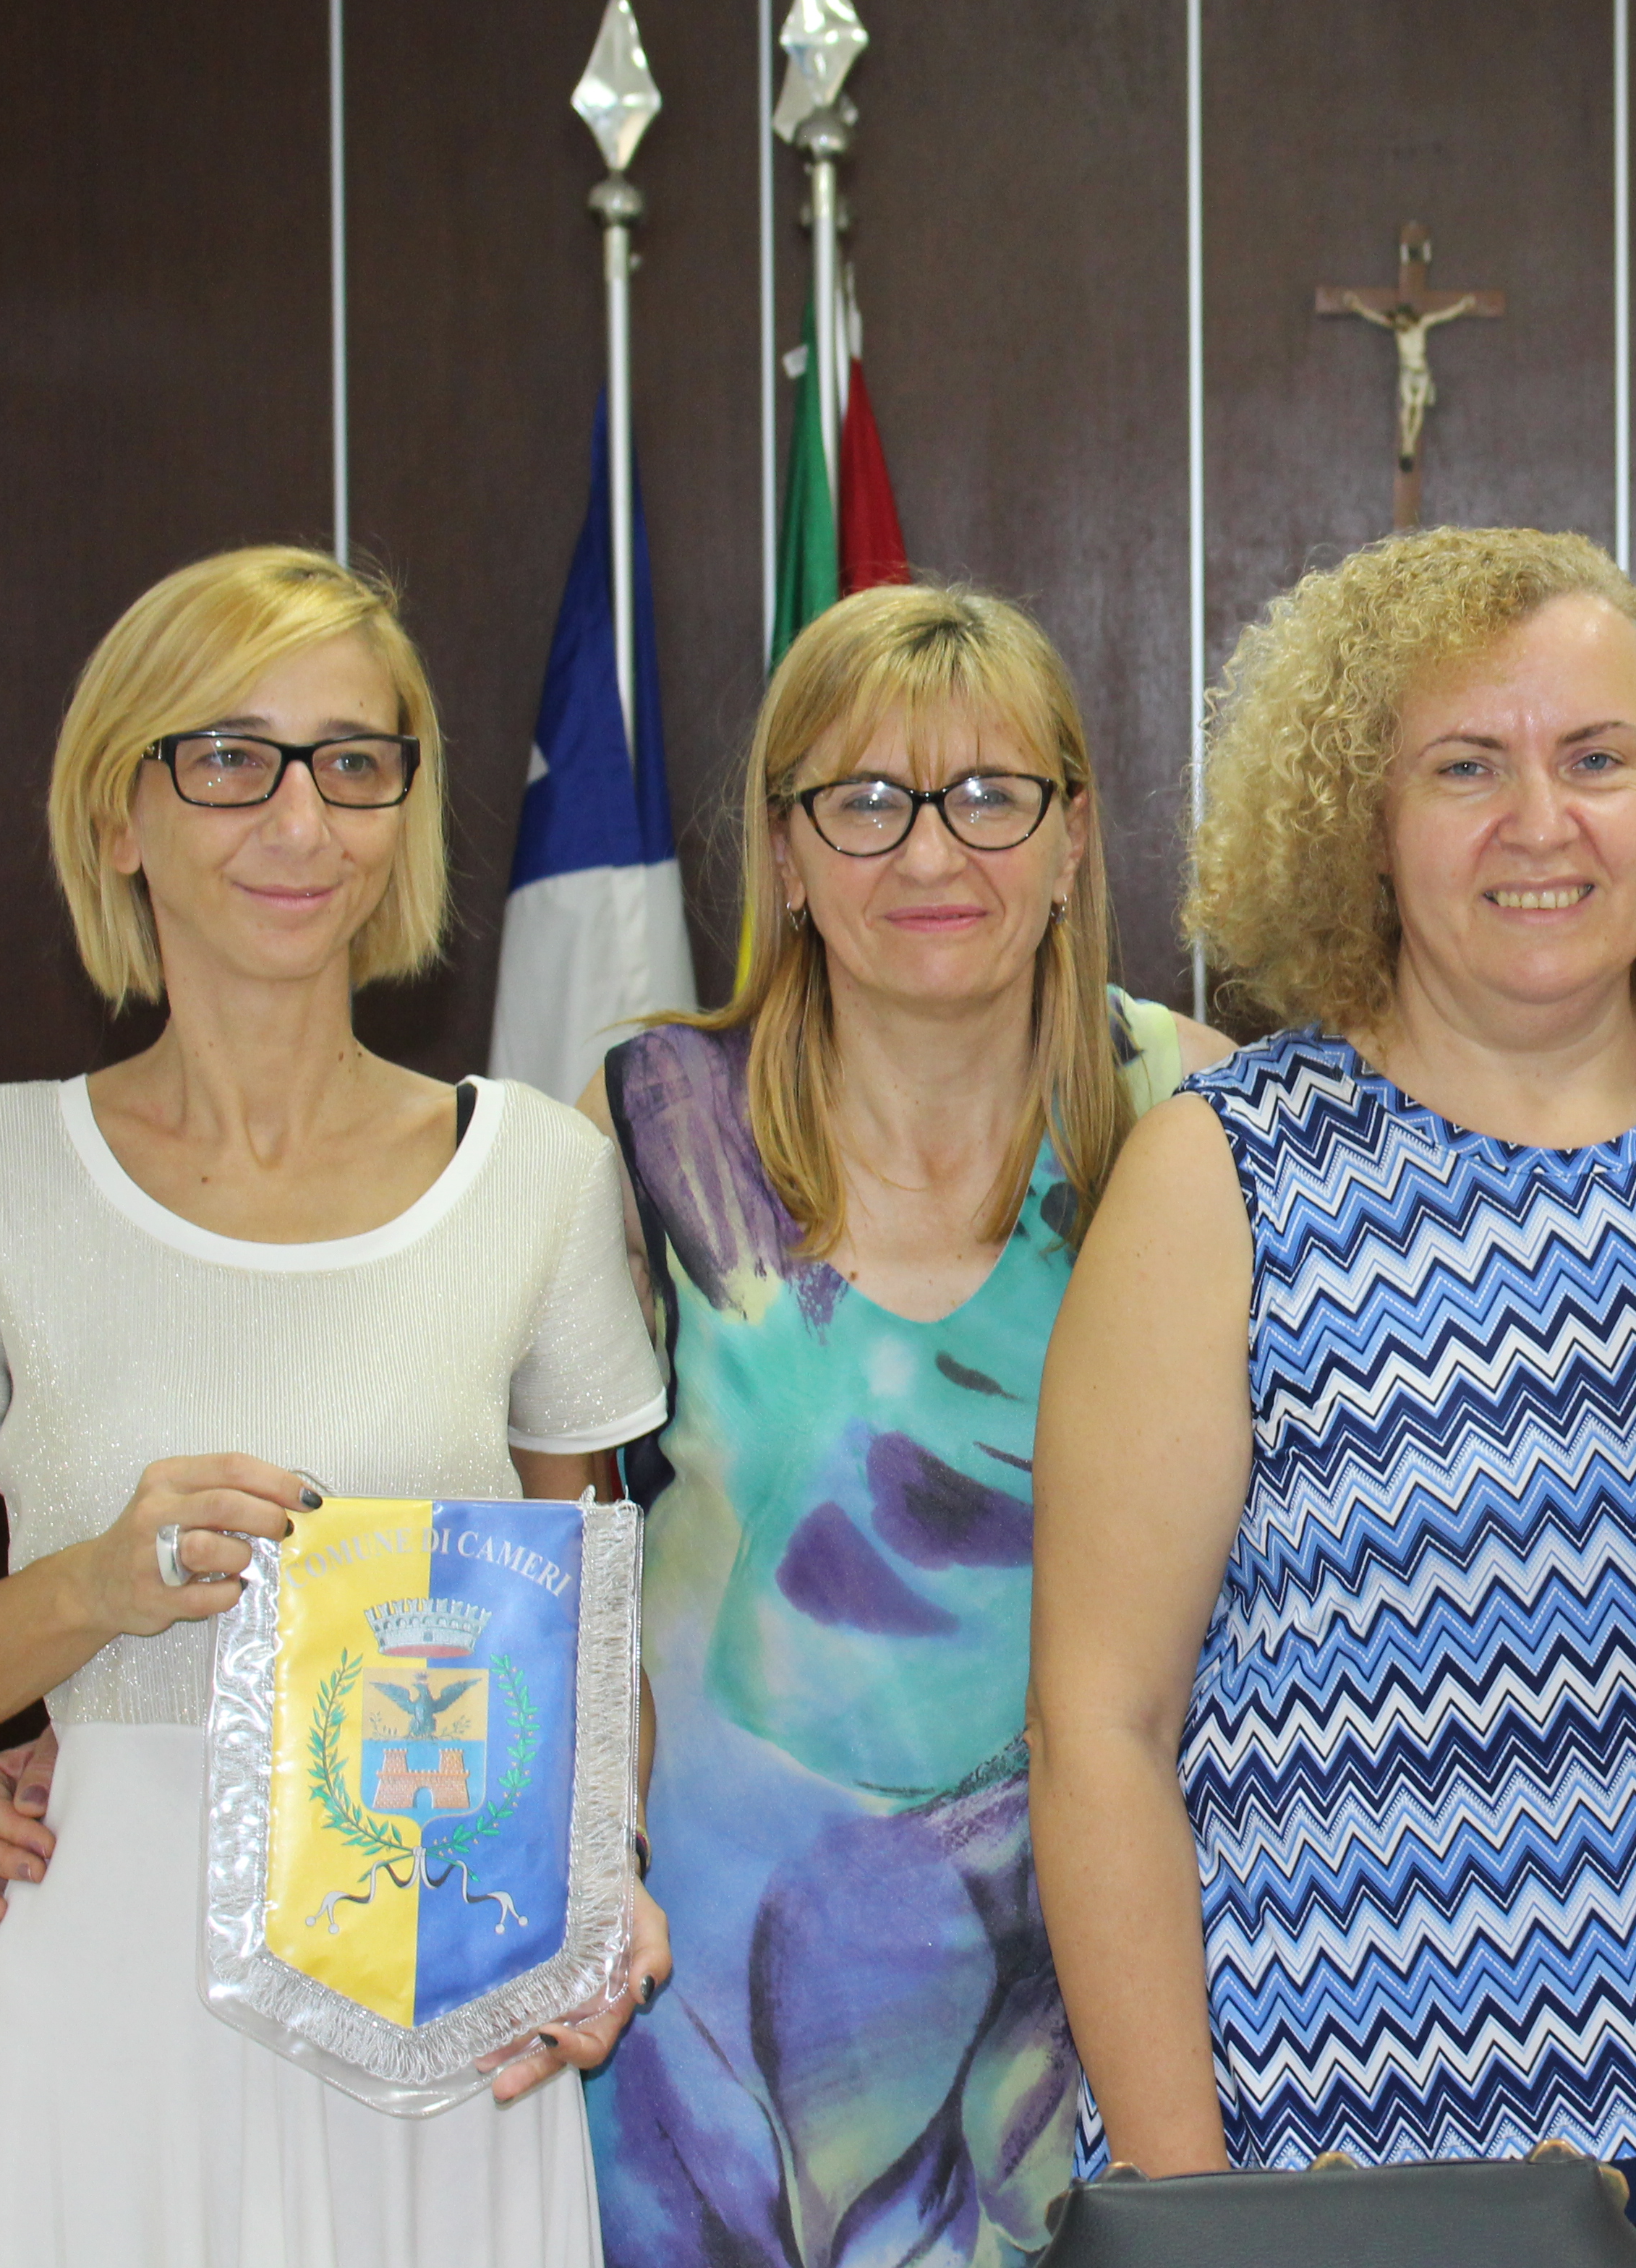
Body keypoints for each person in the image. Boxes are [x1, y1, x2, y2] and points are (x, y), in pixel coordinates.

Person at [0, 547, 669, 2265]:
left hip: (441, 2009)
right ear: (118, 814)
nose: (302, 816)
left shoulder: (537, 1180)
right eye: (232, 754)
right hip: (99, 2015)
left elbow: (593, 1651)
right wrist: (94, 1590)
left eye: (356, 759)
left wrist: (600, 1889)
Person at [1028, 528, 1636, 2257]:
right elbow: (1097, 1735)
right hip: (1347, 2167)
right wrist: (1192, 2207)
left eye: (1597, 759)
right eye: (1464, 768)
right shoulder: (1223, 1176)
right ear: (1363, 826)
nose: (1540, 824)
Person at [566, 584, 1230, 2262]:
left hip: (1099, 2032)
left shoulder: (1199, 1123)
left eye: (991, 797)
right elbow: (513, 1559)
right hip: (697, 2049)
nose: (932, 859)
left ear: (1075, 838)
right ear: (782, 852)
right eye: (865, 802)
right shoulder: (647, 1131)